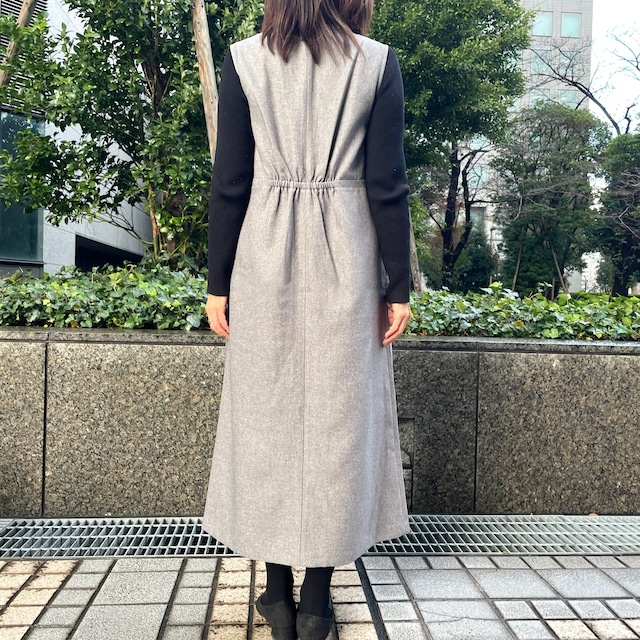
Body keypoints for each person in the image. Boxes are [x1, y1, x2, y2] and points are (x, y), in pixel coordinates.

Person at [203, 0, 411, 638]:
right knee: (337, 423)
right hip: (349, 257)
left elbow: (230, 180)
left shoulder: (245, 60)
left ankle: (275, 593)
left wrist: (217, 283)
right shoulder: (377, 63)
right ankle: (317, 601)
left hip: (263, 258)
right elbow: (388, 184)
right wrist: (398, 284)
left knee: (265, 419)